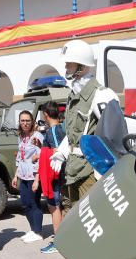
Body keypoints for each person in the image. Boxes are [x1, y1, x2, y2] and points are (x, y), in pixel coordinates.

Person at [50, 40, 118, 210]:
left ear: (81, 66)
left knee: (91, 218)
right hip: (72, 168)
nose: (66, 67)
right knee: (69, 216)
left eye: (69, 63)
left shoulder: (101, 95)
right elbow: (74, 133)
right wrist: (62, 152)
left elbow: (113, 136)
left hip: (90, 171)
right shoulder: (74, 94)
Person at [37, 100, 67, 254]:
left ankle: (58, 241)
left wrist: (42, 154)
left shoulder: (53, 130)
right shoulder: (62, 127)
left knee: (54, 207)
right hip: (60, 176)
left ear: (46, 115)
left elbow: (56, 151)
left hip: (56, 176)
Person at [12, 109, 44, 244]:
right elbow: (20, 157)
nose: (25, 123)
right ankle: (32, 229)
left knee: (34, 203)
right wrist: (15, 176)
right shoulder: (22, 136)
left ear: (32, 122)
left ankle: (37, 232)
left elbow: (42, 157)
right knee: (25, 203)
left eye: (27, 121)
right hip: (23, 175)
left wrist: (37, 179)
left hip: (33, 176)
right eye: (22, 121)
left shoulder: (37, 137)